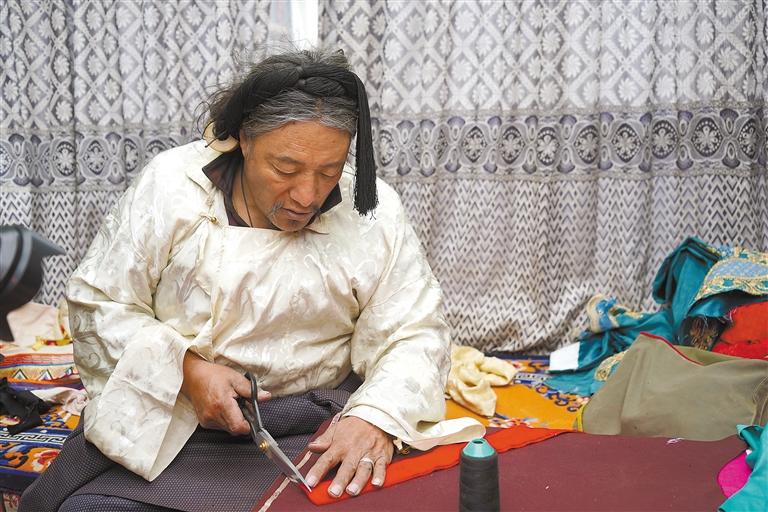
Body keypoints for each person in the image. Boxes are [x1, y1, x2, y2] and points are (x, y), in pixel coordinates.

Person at [20, 48, 482, 512]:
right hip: (169, 418)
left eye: (329, 171)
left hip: (312, 426)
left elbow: (414, 330)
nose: (307, 195)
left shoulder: (372, 211)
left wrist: (373, 418)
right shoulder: (173, 187)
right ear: (243, 139)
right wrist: (187, 371)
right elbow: (99, 303)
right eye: (285, 169)